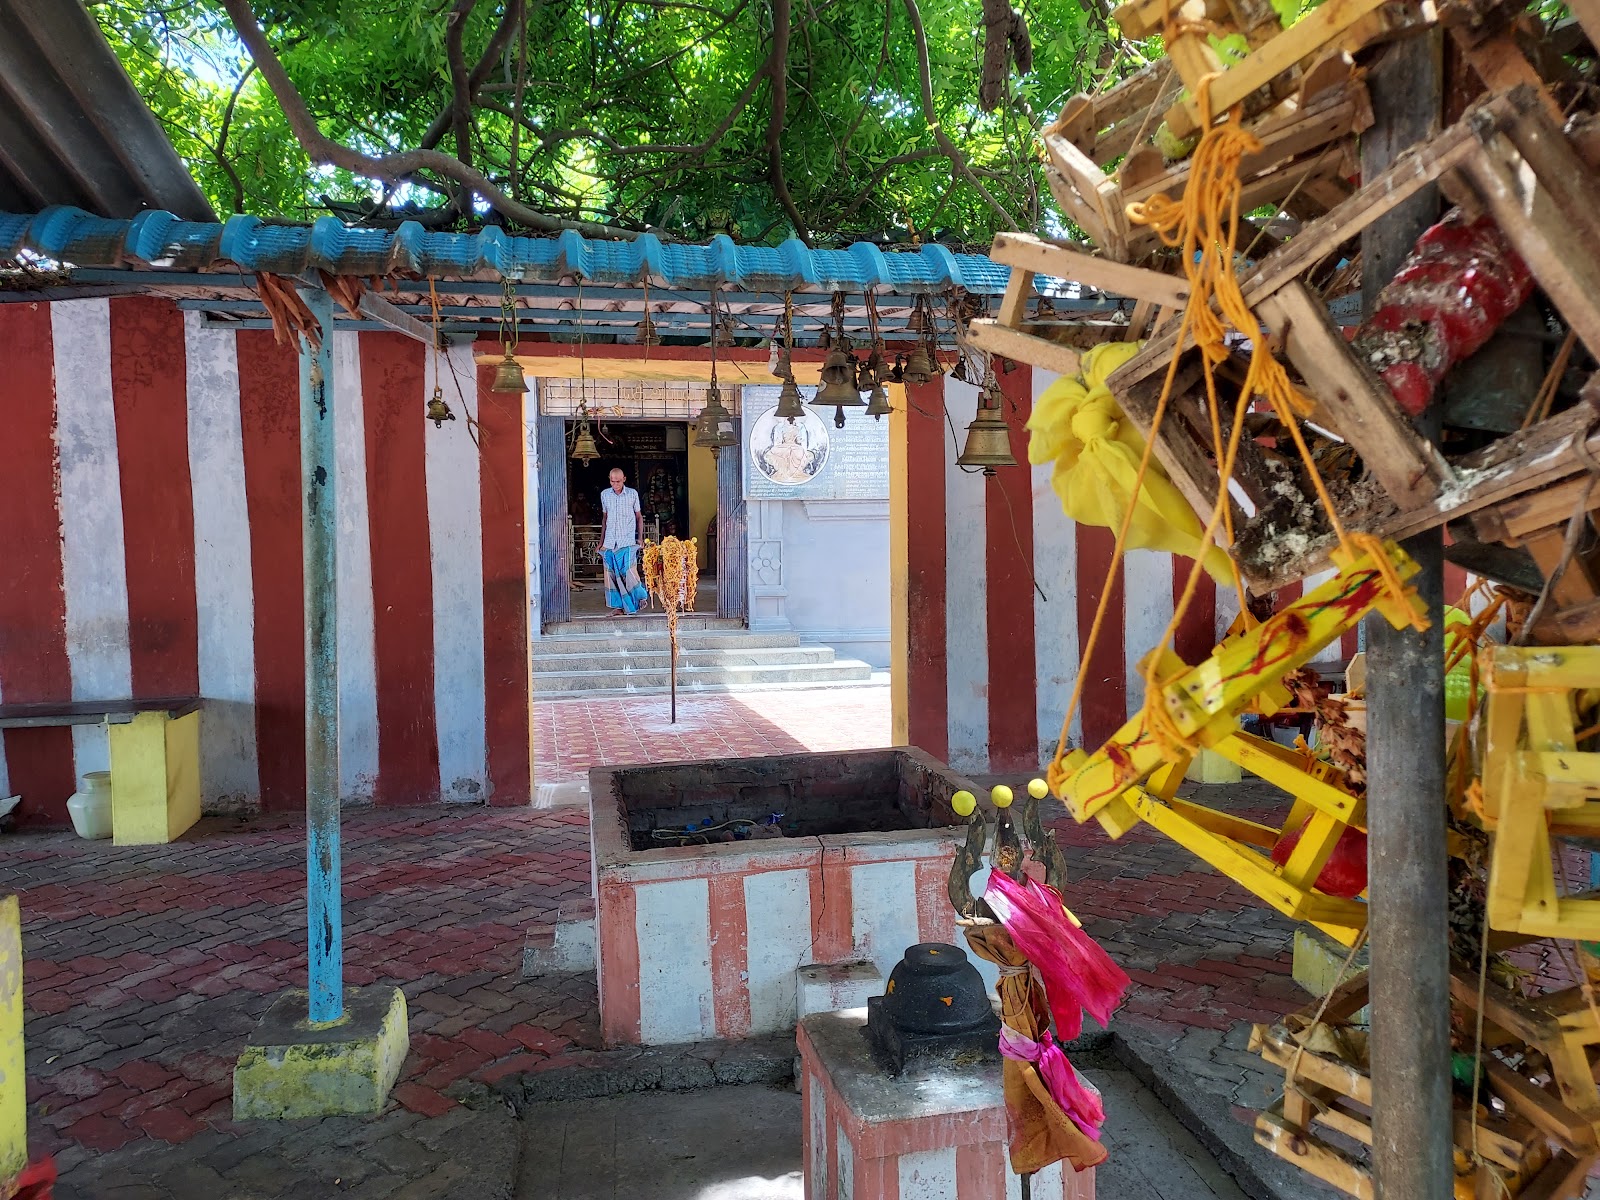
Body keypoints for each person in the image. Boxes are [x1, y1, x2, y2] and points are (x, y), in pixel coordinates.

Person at [601, 467, 649, 616]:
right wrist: (601, 541)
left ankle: (640, 598)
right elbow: (605, 518)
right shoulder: (604, 495)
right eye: (612, 481)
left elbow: (639, 517)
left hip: (627, 541)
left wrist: (640, 538)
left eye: (618, 481)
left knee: (629, 573)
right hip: (609, 542)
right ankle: (620, 608)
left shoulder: (632, 494)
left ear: (624, 479)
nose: (615, 484)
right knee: (611, 575)